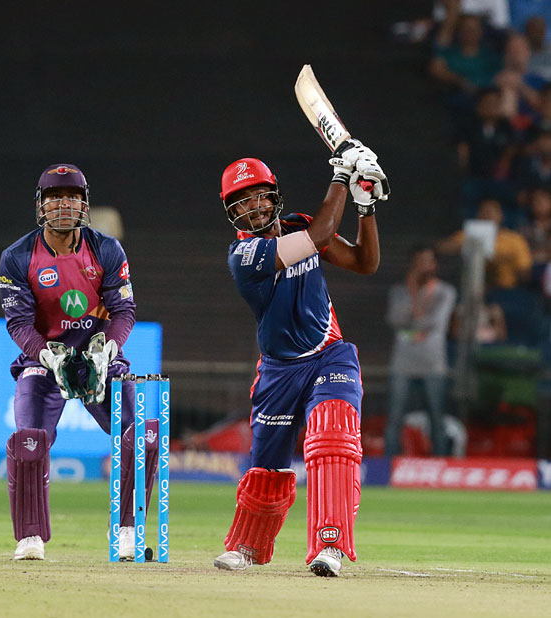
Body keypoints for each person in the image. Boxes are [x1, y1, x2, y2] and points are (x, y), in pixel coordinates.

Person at [212, 141, 389, 577]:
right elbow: (321, 236)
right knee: (266, 465)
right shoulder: (244, 256)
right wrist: (342, 176)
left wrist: (366, 208)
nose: (252, 207)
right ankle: (249, 547)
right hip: (278, 370)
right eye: (241, 201)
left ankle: (330, 545)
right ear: (231, 211)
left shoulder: (299, 225)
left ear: (274, 195)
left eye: (258, 195)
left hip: (330, 357)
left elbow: (365, 263)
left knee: (332, 440)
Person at [0, 164, 157, 561]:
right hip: (46, 360)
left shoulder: (105, 249)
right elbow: (18, 323)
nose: (63, 204)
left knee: (140, 437)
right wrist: (48, 354)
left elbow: (124, 310)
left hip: (97, 358)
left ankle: (125, 530)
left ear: (84, 204)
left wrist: (108, 349)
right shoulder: (17, 257)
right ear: (41, 205)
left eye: (72, 197)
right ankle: (30, 536)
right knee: (28, 440)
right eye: (54, 197)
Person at [384, 245, 457, 457]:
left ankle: (441, 463)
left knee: (436, 416)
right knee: (394, 416)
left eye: (427, 261)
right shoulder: (399, 291)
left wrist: (412, 320)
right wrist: (413, 293)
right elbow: (394, 319)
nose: (423, 266)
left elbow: (434, 321)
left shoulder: (445, 292)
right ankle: (388, 466)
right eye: (419, 262)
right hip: (403, 361)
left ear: (435, 264)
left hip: (433, 362)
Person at [437, 197, 533, 289]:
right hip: (469, 286)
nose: (488, 215)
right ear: (478, 215)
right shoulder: (469, 234)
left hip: (504, 289)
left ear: (501, 216)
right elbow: (442, 247)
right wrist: (464, 245)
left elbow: (525, 271)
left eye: (492, 212)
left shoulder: (514, 239)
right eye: (484, 212)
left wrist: (505, 260)